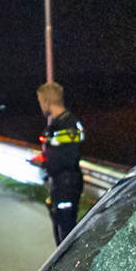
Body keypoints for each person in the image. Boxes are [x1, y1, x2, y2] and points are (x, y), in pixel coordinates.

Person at [35, 81, 85, 243]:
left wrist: (42, 163)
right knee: (61, 230)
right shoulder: (59, 123)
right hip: (62, 183)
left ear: (47, 101)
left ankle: (71, 268)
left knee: (67, 236)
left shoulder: (66, 125)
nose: (41, 106)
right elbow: (58, 151)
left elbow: (66, 157)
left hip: (66, 184)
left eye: (41, 102)